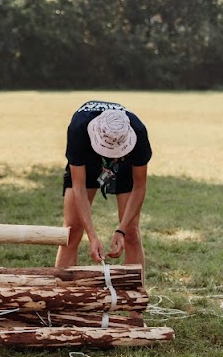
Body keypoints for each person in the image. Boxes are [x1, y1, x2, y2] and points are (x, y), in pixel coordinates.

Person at [55, 101, 152, 269]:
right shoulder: (78, 129)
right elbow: (78, 187)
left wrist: (121, 230)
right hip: (88, 159)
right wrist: (92, 236)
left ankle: (134, 286)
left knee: (132, 233)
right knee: (72, 231)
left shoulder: (138, 132)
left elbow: (139, 187)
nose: (113, 156)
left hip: (125, 165)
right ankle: (63, 285)